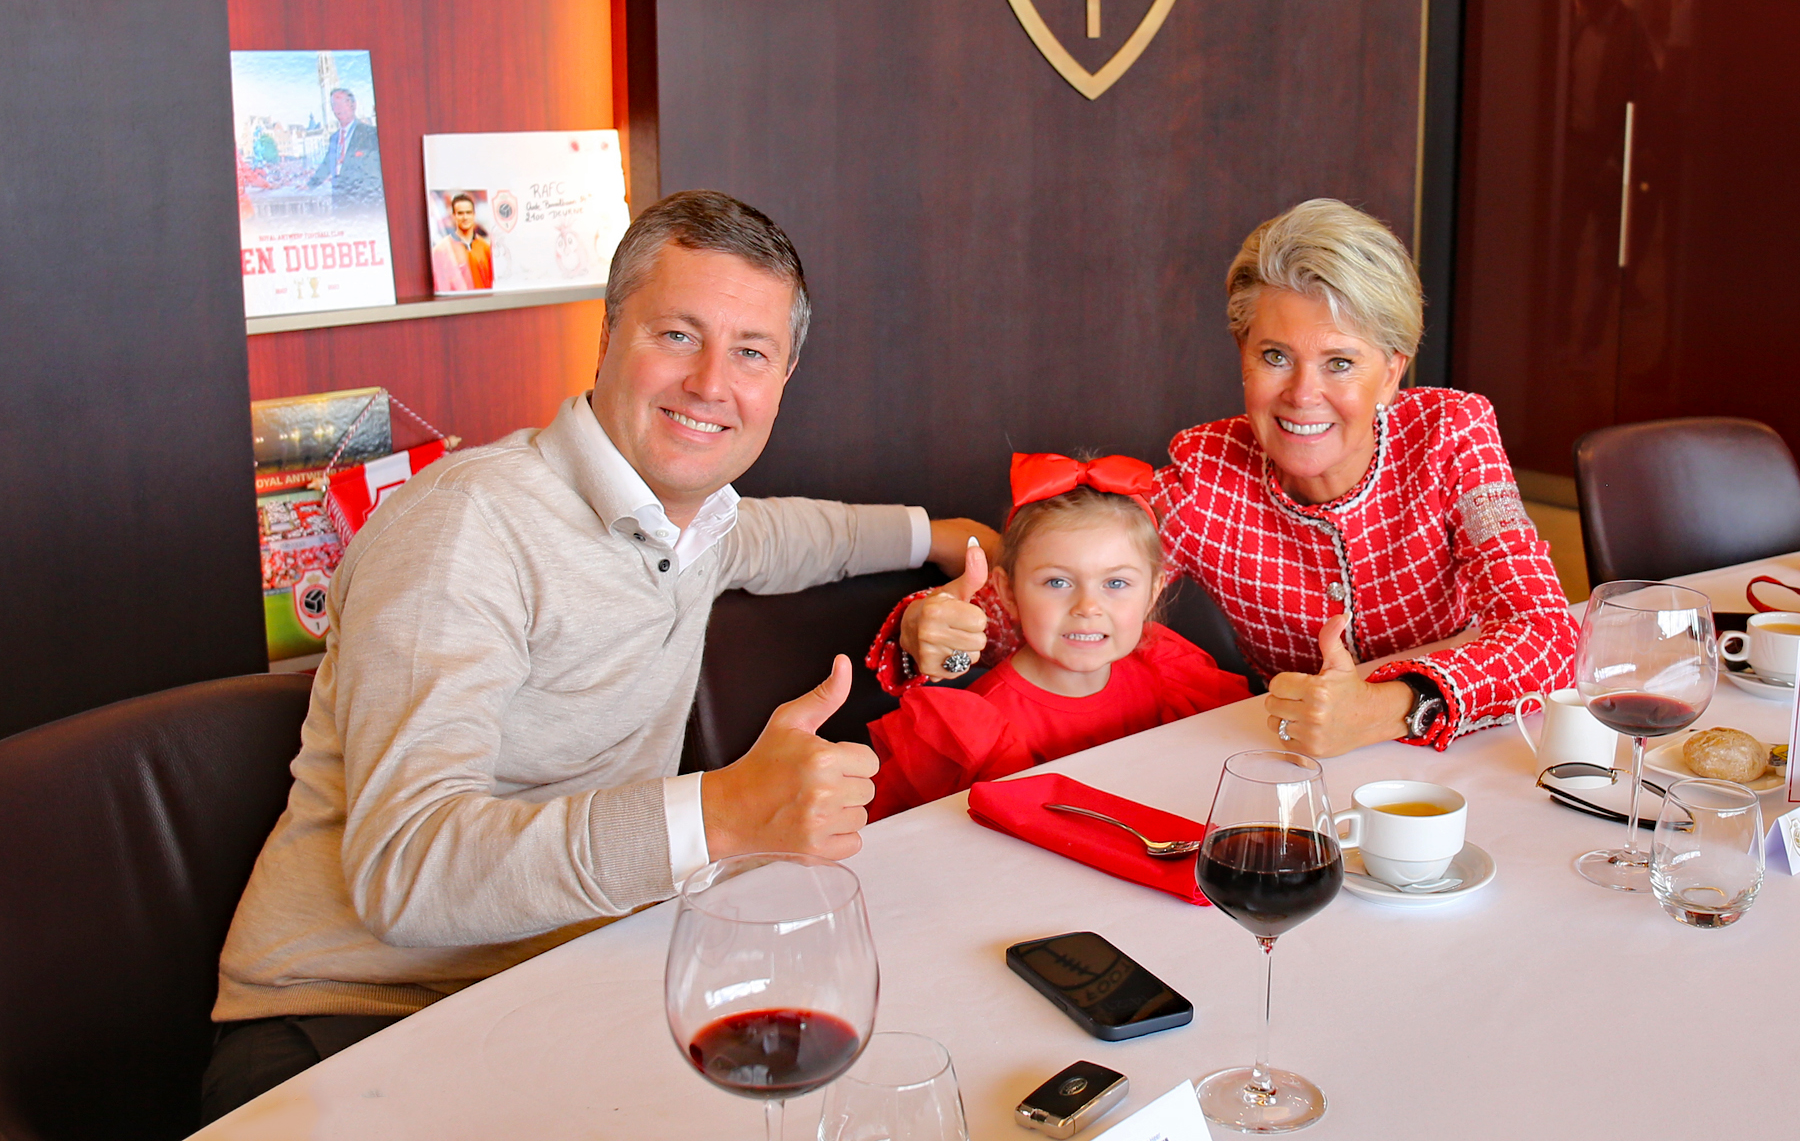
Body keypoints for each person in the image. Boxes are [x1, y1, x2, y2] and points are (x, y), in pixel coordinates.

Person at [201, 190, 996, 1121]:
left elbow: (795, 537)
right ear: (609, 334)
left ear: (783, 378)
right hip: (347, 1019)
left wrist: (943, 535)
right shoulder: (463, 529)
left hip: (558, 982)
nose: (711, 383)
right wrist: (721, 813)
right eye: (678, 335)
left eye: (751, 353)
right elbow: (405, 873)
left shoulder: (692, 524)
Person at [879, 198, 1576, 757]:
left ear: (1392, 372)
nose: (1302, 395)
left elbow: (1549, 635)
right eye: (1276, 356)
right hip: (1296, 767)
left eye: (1340, 363)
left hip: (1474, 742)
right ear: (1242, 354)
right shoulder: (1207, 474)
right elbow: (1056, 601)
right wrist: (934, 630)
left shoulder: (1452, 435)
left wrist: (1389, 707)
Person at [865, 453, 1249, 819]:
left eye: (1116, 583)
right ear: (1008, 593)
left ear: (1152, 593)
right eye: (1058, 582)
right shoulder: (973, 733)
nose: (1087, 607)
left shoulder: (1173, 677)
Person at [307, 87, 383, 212]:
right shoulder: (334, 138)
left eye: (343, 103)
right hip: (340, 206)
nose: (338, 108)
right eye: (334, 105)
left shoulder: (370, 134)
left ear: (353, 105)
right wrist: (310, 185)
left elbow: (376, 174)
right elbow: (327, 165)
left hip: (365, 207)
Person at [430, 192, 494, 291]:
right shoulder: (440, 251)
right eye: (460, 213)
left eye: (468, 212)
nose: (465, 217)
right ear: (453, 216)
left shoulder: (486, 248)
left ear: (474, 215)